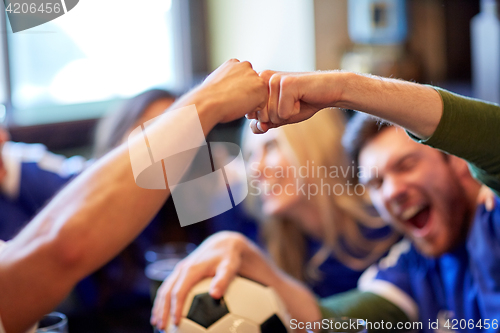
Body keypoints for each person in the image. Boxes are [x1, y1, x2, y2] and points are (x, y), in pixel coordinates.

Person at [151, 70, 499, 332]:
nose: (391, 191)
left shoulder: (491, 218)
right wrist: (250, 259)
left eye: (406, 166)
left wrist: (346, 89)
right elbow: (331, 322)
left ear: (456, 160)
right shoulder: (411, 268)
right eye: (376, 182)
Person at [0, 58, 268, 333]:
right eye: (153, 134)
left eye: (183, 139)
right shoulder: (80, 191)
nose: (167, 150)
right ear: (120, 140)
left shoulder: (208, 202)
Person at [232, 110, 399, 297]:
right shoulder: (276, 250)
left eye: (271, 146)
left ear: (317, 145)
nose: (255, 169)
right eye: (250, 155)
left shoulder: (387, 221)